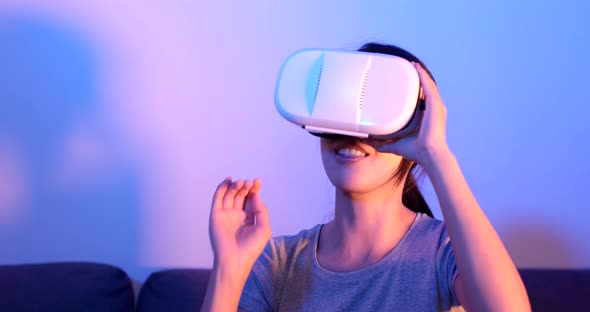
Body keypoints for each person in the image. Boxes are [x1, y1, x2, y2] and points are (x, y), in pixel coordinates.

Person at [201, 43, 531, 311]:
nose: (351, 133)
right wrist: (229, 268)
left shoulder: (444, 252)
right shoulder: (278, 262)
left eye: (375, 114)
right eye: (339, 113)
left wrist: (438, 156)